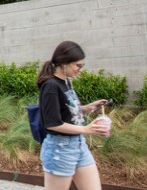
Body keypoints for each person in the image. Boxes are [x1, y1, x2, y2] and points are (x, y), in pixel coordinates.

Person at [38, 41, 109, 190]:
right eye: (78, 65)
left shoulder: (66, 82)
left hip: (78, 145)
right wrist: (86, 129)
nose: (80, 69)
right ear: (64, 63)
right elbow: (53, 123)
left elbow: (67, 112)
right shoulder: (51, 86)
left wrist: (87, 108)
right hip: (60, 148)